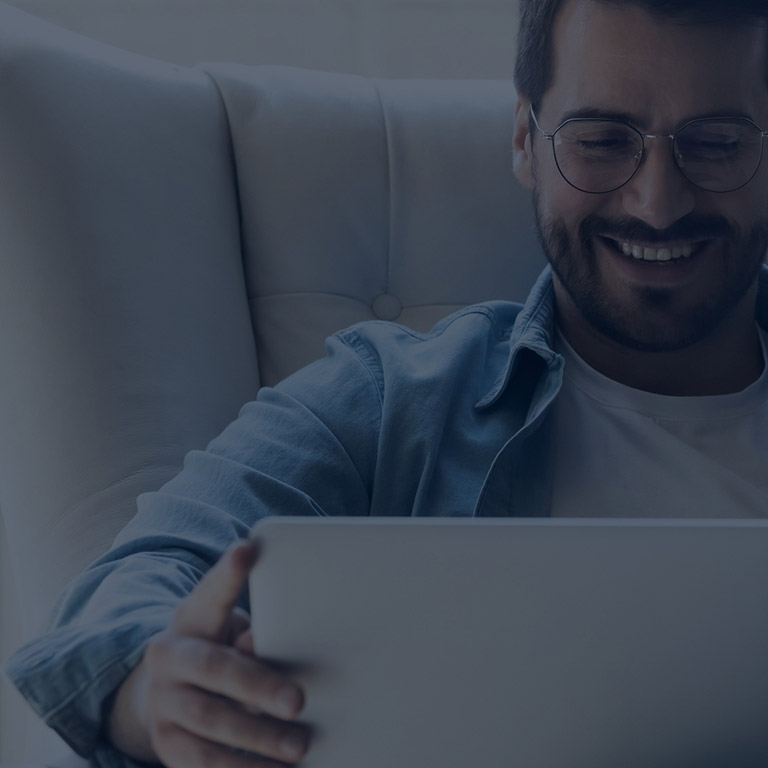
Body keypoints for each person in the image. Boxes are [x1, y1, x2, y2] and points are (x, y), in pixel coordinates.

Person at [6, 0, 768, 766]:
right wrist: (154, 691)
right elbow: (139, 577)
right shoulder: (392, 399)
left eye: (718, 144)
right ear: (523, 143)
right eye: (602, 141)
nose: (658, 203)